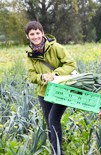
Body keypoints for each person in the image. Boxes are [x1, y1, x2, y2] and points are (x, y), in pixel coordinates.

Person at [25, 21, 76, 155]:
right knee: (49, 123)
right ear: (28, 37)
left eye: (37, 33)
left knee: (53, 119)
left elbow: (71, 64)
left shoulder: (56, 47)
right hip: (44, 93)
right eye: (32, 34)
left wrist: (54, 75)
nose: (35, 36)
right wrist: (42, 78)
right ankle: (57, 150)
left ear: (42, 33)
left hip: (61, 90)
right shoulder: (30, 55)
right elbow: (31, 76)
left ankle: (56, 152)